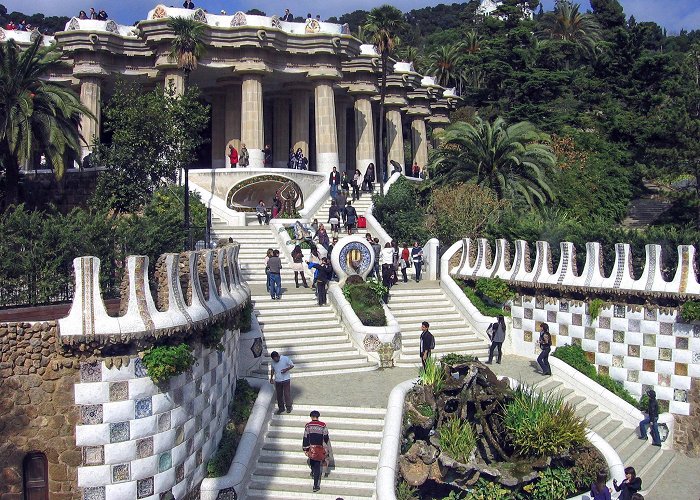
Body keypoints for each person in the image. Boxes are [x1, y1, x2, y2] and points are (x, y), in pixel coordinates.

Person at [302, 410, 330, 493]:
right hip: (319, 449)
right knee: (318, 466)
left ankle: (313, 471)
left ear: (311, 417)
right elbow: (326, 437)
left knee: (312, 461)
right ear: (318, 417)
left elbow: (305, 437)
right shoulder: (323, 425)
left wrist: (305, 448)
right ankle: (316, 485)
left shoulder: (308, 426)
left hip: (311, 448)